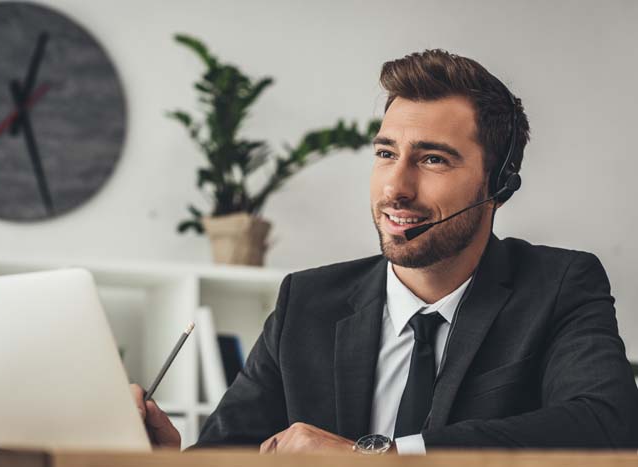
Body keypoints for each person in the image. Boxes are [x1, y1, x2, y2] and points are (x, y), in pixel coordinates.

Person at [130, 49, 638, 453]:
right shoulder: (306, 300)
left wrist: (378, 456)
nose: (395, 188)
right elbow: (234, 451)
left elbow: (607, 423)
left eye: (433, 159)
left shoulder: (558, 284)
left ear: (501, 185)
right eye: (385, 154)